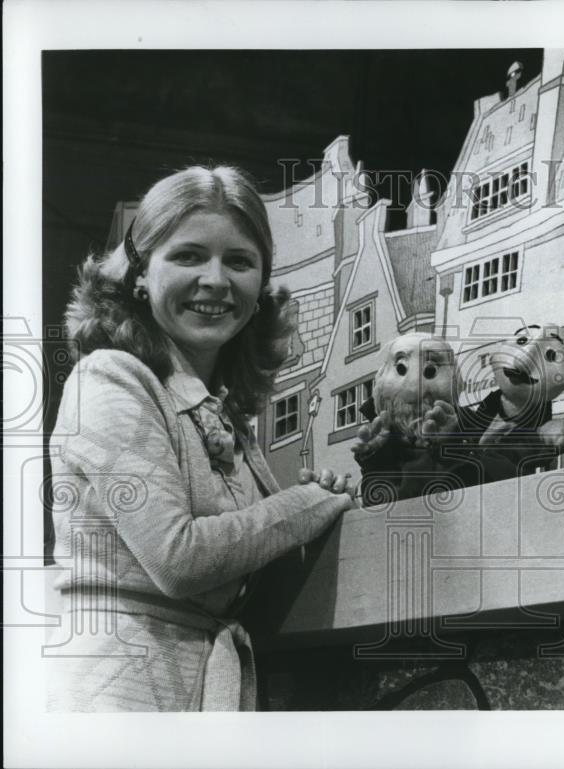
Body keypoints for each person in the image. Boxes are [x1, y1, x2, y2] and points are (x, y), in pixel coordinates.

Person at [46, 166, 354, 712]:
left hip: (200, 686)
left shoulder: (221, 410)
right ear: (140, 273)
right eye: (188, 255)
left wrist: (315, 507)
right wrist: (303, 506)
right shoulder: (111, 378)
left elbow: (243, 557)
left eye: (239, 261)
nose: (216, 279)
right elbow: (177, 559)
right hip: (120, 692)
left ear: (260, 285)